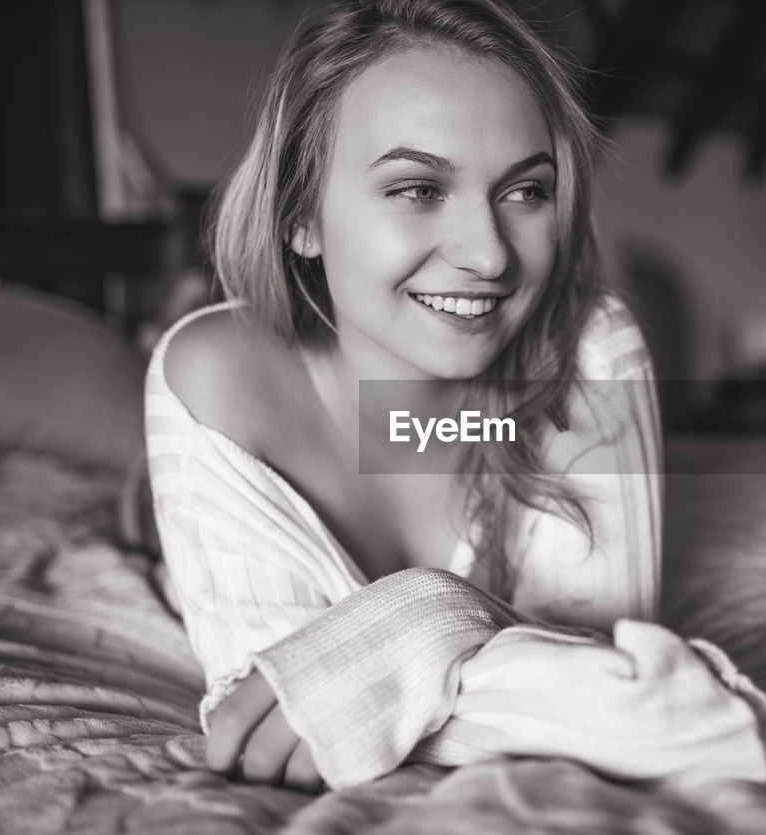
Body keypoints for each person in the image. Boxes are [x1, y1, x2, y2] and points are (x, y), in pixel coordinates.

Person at [145, 0, 667, 792]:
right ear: (300, 216)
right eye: (419, 188)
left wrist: (428, 620)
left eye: (525, 192)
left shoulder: (589, 349)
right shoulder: (214, 379)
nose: (489, 255)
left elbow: (621, 687)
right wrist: (460, 629)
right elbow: (262, 736)